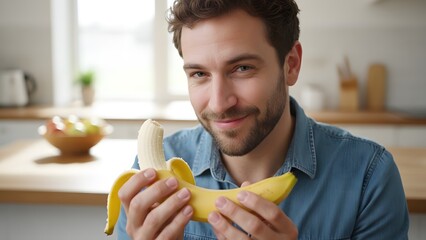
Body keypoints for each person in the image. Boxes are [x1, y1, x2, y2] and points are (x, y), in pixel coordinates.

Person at [116, 0, 409, 239]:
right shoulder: (153, 177)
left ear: (291, 64)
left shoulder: (368, 178)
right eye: (199, 74)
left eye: (242, 68)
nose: (219, 103)